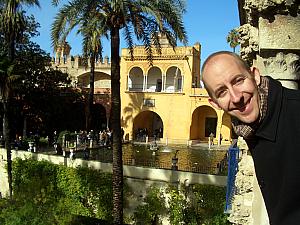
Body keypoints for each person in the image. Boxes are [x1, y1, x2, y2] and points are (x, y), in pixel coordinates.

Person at [202, 51, 300, 225]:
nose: (236, 97)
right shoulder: (251, 130)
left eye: (238, 81)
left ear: (255, 76)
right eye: (222, 92)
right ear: (215, 103)